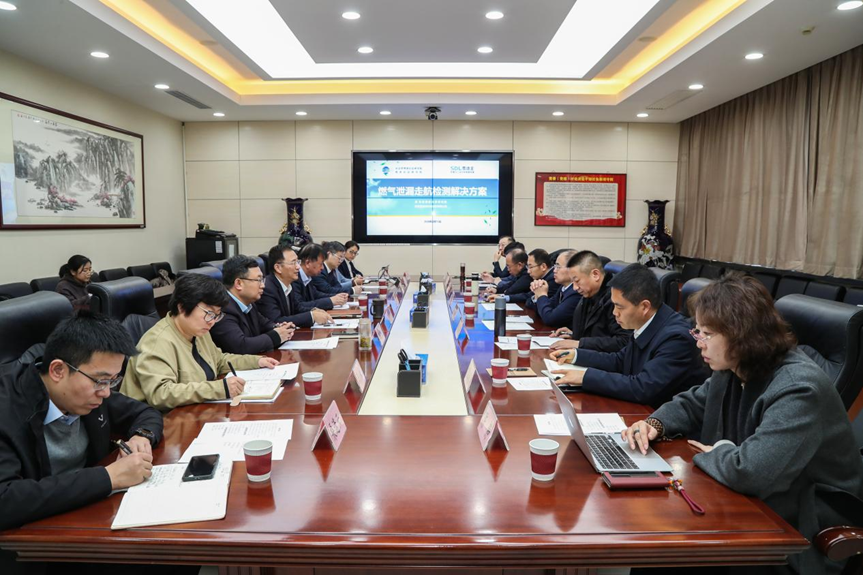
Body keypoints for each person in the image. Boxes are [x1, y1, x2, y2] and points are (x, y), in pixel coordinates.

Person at [622, 274, 863, 575]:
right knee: (658, 539)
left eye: (706, 333)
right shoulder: (736, 365)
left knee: (667, 547)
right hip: (756, 500)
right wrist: (654, 424)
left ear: (741, 335)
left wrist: (718, 450)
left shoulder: (799, 387)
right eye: (697, 331)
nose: (698, 342)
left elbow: (750, 472)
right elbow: (692, 403)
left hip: (802, 525)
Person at [0, 311, 161, 533]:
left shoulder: (89, 390)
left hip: (87, 512)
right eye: (101, 381)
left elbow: (146, 413)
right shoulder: (7, 409)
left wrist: (141, 436)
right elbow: (5, 499)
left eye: (113, 381)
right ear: (58, 370)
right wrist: (108, 477)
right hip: (31, 535)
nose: (106, 392)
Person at [550, 263, 707, 408]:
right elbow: (620, 361)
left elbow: (642, 387)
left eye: (619, 307)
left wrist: (585, 377)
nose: (614, 313)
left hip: (659, 418)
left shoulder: (676, 338)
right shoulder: (648, 322)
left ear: (644, 307)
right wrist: (576, 356)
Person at [121, 273, 279, 411]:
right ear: (182, 308)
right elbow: (161, 394)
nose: (212, 321)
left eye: (217, 315)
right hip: (160, 423)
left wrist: (256, 361)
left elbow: (219, 361)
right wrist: (219, 388)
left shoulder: (198, 331)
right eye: (209, 313)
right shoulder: (156, 342)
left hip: (192, 412)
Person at [208, 255, 295, 354]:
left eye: (263, 280)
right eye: (258, 280)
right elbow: (241, 346)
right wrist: (276, 336)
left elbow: (265, 324)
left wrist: (280, 328)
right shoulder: (222, 309)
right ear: (238, 283)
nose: (263, 285)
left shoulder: (249, 303)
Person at [550, 250, 630, 352]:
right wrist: (575, 335)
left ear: (595, 275)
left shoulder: (614, 299)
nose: (575, 287)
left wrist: (580, 343)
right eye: (572, 282)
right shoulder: (589, 294)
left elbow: (623, 341)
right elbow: (598, 333)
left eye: (577, 281)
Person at [259, 245, 333, 327]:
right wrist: (311, 316)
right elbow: (276, 321)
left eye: (298, 262)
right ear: (278, 268)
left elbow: (297, 308)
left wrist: (314, 311)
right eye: (293, 263)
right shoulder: (267, 288)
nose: (298, 267)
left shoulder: (288, 284)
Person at [526, 250, 581, 328]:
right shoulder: (563, 287)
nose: (554, 270)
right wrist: (537, 295)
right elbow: (546, 308)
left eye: (558, 267)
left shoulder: (576, 292)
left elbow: (550, 319)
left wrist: (542, 295)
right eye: (555, 266)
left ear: (573, 269)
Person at [295, 243, 350, 310]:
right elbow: (299, 306)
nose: (322, 268)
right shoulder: (295, 278)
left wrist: (336, 297)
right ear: (307, 263)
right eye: (321, 264)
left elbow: (315, 294)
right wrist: (330, 301)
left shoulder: (308, 276)